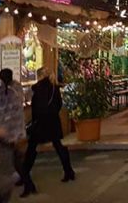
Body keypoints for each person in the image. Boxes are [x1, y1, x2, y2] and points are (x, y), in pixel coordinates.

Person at [20, 69, 74, 197]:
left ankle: (25, 176)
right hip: (53, 121)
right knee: (58, 145)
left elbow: (35, 108)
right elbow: (59, 104)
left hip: (40, 123)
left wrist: (34, 121)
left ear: (39, 76)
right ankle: (68, 171)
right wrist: (52, 114)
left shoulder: (37, 89)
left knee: (32, 149)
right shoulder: (54, 88)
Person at [0, 69, 26, 185]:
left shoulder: (0, 92)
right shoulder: (18, 88)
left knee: (8, 154)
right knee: (17, 155)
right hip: (18, 128)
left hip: (5, 129)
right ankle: (24, 179)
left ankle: (26, 181)